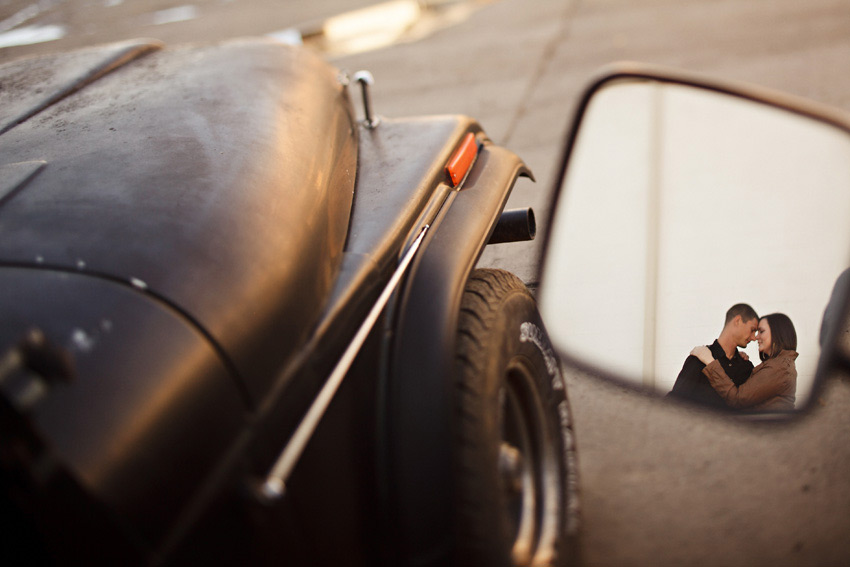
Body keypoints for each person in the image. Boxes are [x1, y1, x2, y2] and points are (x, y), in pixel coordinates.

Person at [692, 313, 797, 411]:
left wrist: (710, 362)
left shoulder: (779, 367)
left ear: (777, 333)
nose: (756, 337)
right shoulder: (778, 365)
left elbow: (737, 400)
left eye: (761, 331)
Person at [668, 303, 758, 410]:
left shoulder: (746, 367)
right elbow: (676, 402)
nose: (754, 338)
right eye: (752, 330)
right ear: (737, 321)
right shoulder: (698, 359)